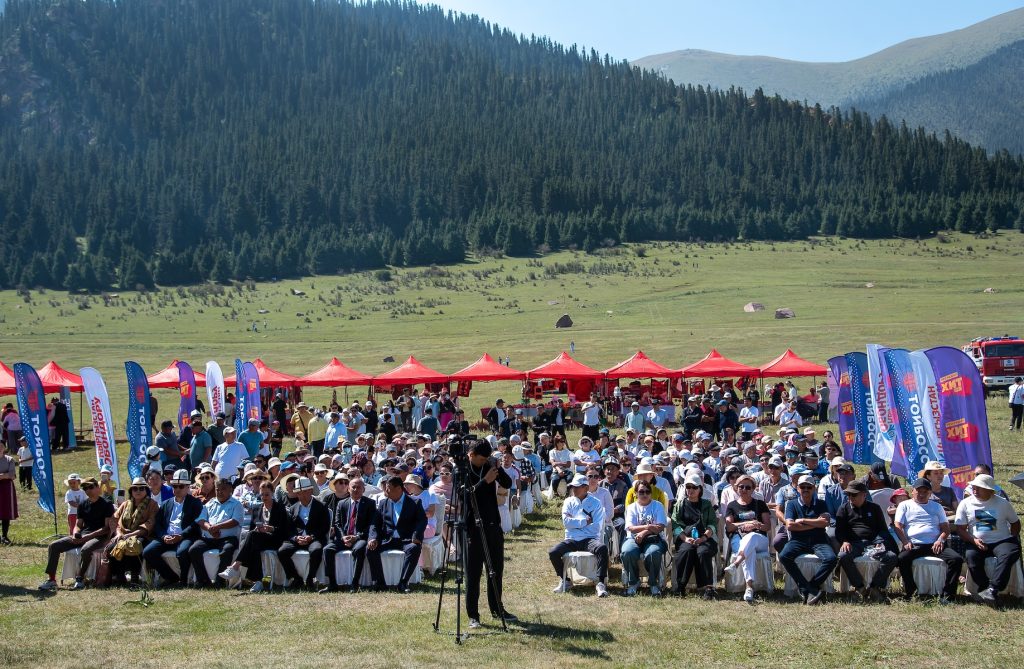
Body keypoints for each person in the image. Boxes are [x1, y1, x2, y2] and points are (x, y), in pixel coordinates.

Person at [954, 474, 1021, 603]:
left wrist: (1012, 538)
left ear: (989, 490)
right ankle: (984, 588)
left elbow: (1015, 523)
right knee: (971, 557)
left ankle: (993, 589)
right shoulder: (965, 503)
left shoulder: (1002, 503)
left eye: (979, 488)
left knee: (1009, 553)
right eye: (974, 487)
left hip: (1001, 541)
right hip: (976, 542)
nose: (975, 490)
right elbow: (960, 529)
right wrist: (973, 540)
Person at [893, 477, 962, 601]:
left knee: (956, 559)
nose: (921, 494)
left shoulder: (937, 507)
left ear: (930, 493)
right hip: (914, 544)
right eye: (918, 491)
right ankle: (911, 593)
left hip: (934, 544)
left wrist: (940, 540)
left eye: (925, 491)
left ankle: (948, 595)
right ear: (912, 491)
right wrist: (905, 541)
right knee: (902, 559)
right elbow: (898, 525)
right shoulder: (904, 505)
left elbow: (946, 529)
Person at [39, 477, 114, 591]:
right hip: (83, 535)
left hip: (99, 537)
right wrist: (75, 533)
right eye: (85, 488)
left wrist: (87, 537)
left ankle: (80, 579)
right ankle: (51, 580)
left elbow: (106, 528)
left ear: (97, 487)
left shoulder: (107, 504)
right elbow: (78, 524)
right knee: (54, 546)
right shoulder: (83, 504)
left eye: (91, 487)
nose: (88, 490)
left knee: (86, 549)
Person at [220, 480, 290, 593]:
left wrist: (270, 528)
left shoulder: (280, 508)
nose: (264, 497)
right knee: (253, 542)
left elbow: (284, 530)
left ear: (272, 493)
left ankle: (235, 567)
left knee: (252, 537)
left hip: (276, 539)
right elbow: (252, 528)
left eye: (267, 494)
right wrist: (258, 529)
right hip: (260, 539)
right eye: (262, 495)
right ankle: (258, 581)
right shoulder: (257, 509)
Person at [834, 480, 899, 602]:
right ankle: (860, 587)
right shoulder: (843, 509)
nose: (850, 497)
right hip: (853, 543)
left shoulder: (874, 508)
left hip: (873, 543)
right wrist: (844, 541)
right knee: (843, 556)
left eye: (854, 494)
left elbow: (882, 529)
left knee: (891, 557)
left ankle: (875, 587)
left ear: (864, 495)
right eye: (848, 494)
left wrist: (880, 541)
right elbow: (839, 531)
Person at [778, 474, 837, 605]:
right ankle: (807, 587)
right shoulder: (791, 504)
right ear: (798, 488)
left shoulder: (821, 503)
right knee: (784, 556)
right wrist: (815, 524)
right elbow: (790, 526)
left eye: (809, 487)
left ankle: (810, 587)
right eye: (802, 487)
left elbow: (825, 522)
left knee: (831, 559)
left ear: (814, 488)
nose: (805, 489)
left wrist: (803, 520)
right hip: (797, 540)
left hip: (819, 540)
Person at [143, 469, 207, 587]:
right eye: (175, 486)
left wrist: (181, 536)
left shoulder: (195, 503)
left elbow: (195, 523)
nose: (177, 489)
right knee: (148, 551)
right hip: (167, 536)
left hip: (185, 536)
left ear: (187, 487)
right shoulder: (166, 503)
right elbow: (158, 524)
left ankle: (183, 580)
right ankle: (170, 577)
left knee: (182, 552)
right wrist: (163, 536)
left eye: (181, 486)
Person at [549, 473, 609, 597]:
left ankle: (600, 583)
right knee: (553, 552)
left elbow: (596, 527)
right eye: (573, 487)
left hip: (589, 539)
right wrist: (585, 522)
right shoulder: (568, 501)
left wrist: (575, 523)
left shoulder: (596, 503)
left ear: (585, 488)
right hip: (572, 539)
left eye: (577, 487)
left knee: (602, 549)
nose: (574, 489)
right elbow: (566, 523)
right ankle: (565, 580)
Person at [368, 475, 427, 593]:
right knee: (370, 549)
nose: (385, 491)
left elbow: (422, 521)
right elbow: (375, 523)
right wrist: (373, 538)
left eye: (388, 488)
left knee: (414, 548)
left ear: (399, 488)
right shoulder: (383, 503)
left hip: (406, 539)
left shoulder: (414, 502)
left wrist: (416, 536)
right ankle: (380, 583)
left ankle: (403, 583)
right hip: (387, 539)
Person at [321, 477, 378, 593]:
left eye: (359, 487)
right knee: (327, 549)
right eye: (353, 487)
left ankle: (355, 583)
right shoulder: (342, 503)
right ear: (348, 489)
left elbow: (371, 525)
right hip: (344, 538)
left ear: (363, 489)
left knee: (359, 549)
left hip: (360, 538)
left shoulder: (370, 504)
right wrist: (343, 537)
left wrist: (356, 537)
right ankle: (332, 584)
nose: (356, 490)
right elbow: (337, 523)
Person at [724, 474, 773, 603]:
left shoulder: (760, 504)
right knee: (749, 549)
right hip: (739, 537)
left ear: (753, 489)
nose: (744, 489)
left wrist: (757, 525)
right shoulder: (732, 505)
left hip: (759, 538)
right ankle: (749, 588)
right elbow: (729, 527)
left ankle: (736, 563)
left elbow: (767, 526)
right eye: (741, 486)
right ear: (736, 488)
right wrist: (746, 524)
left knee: (751, 537)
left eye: (748, 487)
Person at [277, 477, 330, 590]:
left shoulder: (321, 506)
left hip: (314, 538)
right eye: (299, 492)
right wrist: (296, 538)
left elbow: (325, 527)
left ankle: (310, 578)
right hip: (298, 539)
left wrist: (312, 537)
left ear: (310, 491)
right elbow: (289, 529)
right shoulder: (293, 508)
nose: (302, 495)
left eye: (305, 491)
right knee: (282, 551)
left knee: (316, 550)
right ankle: (296, 578)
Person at [190, 479, 244, 588]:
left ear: (230, 489)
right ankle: (203, 580)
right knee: (193, 550)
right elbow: (201, 520)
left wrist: (217, 527)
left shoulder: (236, 504)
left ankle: (220, 581)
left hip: (228, 538)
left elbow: (235, 521)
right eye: (217, 489)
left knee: (227, 550)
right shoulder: (210, 503)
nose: (219, 492)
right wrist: (209, 528)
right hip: (209, 538)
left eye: (223, 489)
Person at [104, 477, 158, 586]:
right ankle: (119, 576)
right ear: (131, 491)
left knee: (134, 545)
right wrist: (118, 534)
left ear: (146, 490)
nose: (138, 491)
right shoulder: (125, 504)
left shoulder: (152, 504)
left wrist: (130, 535)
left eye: (141, 488)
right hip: (123, 534)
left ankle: (134, 578)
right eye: (135, 489)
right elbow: (115, 520)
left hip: (142, 535)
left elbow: (150, 524)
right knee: (111, 547)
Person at [671, 473, 718, 599]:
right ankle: (680, 586)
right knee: (686, 551)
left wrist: (703, 538)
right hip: (685, 538)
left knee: (703, 552)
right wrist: (685, 538)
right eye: (688, 487)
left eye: (694, 487)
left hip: (705, 538)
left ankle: (708, 588)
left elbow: (712, 524)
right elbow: (675, 524)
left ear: (700, 489)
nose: (690, 490)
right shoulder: (680, 504)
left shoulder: (707, 504)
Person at [620, 480, 667, 596]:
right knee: (627, 552)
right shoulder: (631, 507)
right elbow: (630, 528)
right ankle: (633, 582)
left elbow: (660, 527)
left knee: (653, 553)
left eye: (647, 491)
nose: (645, 494)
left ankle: (653, 583)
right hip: (633, 538)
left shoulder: (658, 505)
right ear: (636, 493)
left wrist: (644, 533)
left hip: (654, 538)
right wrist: (649, 526)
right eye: (641, 492)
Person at [0, 440, 18, 544]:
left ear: (4, 447)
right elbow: (8, 474)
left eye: (1, 446)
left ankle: (4, 536)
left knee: (5, 511)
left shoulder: (9, 459)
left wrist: (4, 476)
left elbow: (12, 475)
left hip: (7, 488)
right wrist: (5, 475)